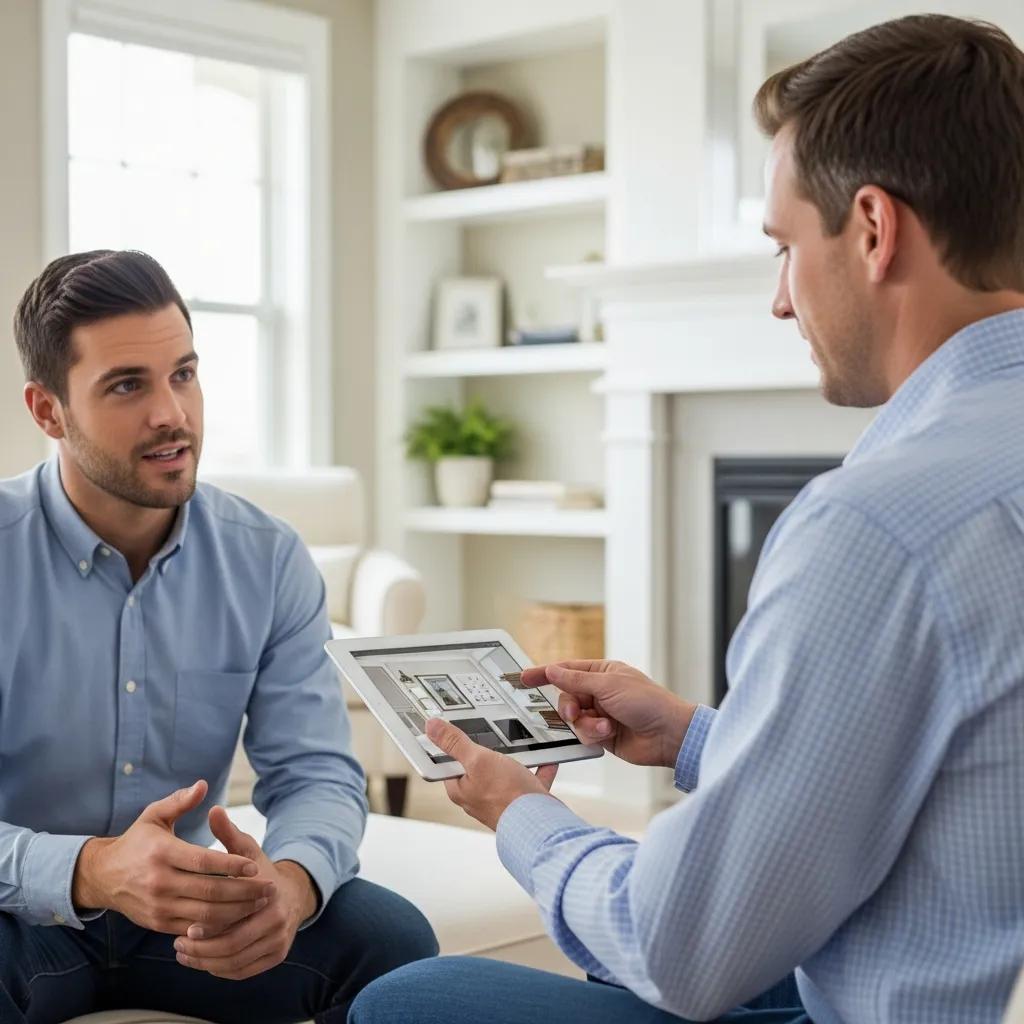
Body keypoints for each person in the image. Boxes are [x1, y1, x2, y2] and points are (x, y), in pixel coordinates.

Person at [349, 13, 1024, 1024]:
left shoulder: (877, 528)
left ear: (873, 230)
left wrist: (524, 816)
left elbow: (680, 947)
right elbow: (954, 784)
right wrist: (700, 737)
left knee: (413, 1000)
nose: (781, 301)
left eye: (784, 247)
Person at [0, 250, 438, 1023]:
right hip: (20, 916)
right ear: (48, 411)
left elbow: (315, 772)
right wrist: (91, 870)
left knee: (391, 942)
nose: (171, 413)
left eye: (184, 373)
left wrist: (291, 888)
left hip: (191, 918)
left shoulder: (266, 558)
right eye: (127, 385)